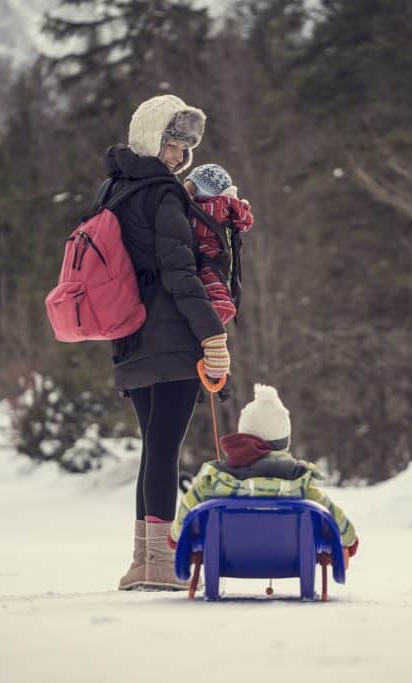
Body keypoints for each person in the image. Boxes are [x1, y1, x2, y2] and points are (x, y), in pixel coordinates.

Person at [107, 94, 231, 591]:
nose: (179, 157)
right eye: (172, 144)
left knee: (153, 446)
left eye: (184, 148)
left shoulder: (112, 190)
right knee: (164, 446)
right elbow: (180, 272)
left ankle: (143, 559)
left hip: (128, 335)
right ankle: (159, 561)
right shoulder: (163, 195)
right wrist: (212, 334)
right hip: (171, 336)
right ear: (150, 138)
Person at [167, 384, 360, 562]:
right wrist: (349, 541)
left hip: (229, 560)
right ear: (284, 441)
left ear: (243, 435)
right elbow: (333, 517)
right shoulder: (299, 482)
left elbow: (184, 516)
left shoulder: (214, 480)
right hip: (288, 561)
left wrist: (175, 538)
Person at [182, 163, 255, 326]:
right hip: (212, 259)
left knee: (213, 287)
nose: (185, 193)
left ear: (206, 194)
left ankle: (217, 313)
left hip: (210, 257)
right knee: (213, 287)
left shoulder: (210, 210)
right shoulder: (218, 209)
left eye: (191, 189)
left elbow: (189, 223)